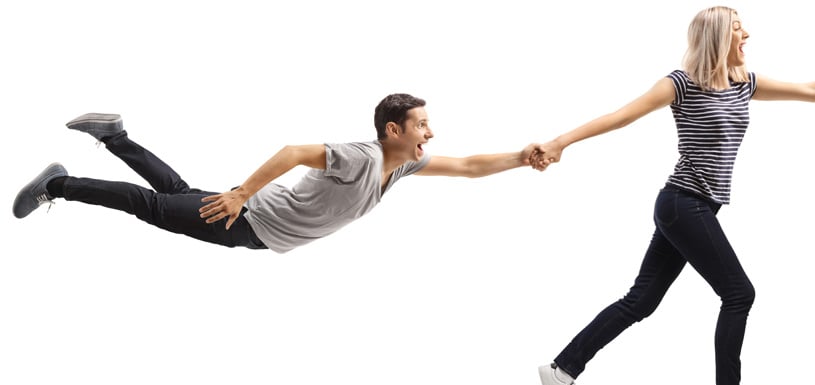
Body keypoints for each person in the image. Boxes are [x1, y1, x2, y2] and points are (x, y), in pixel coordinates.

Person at [529, 6, 815, 385]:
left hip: (694, 207)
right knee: (738, 293)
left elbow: (811, 90)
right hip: (683, 203)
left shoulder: (743, 83)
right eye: (737, 28)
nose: (746, 33)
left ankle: (561, 369)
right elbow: (619, 117)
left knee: (641, 300)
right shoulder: (681, 84)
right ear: (716, 36)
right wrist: (560, 142)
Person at [12, 93, 539, 253]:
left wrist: (522, 155)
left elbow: (470, 166)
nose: (431, 134)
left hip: (253, 221)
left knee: (172, 191)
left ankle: (116, 135)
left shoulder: (403, 166)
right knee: (151, 206)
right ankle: (58, 184)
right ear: (392, 130)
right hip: (245, 219)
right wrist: (241, 193)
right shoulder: (360, 156)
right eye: (422, 125)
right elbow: (291, 152)